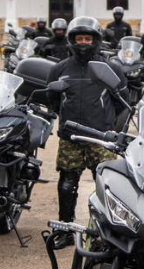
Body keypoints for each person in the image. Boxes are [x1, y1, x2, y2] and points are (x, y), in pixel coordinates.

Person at [44, 17, 128, 250]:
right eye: (79, 38)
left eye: (87, 38)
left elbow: (124, 103)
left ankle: (107, 232)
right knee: (67, 183)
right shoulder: (59, 69)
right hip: (70, 137)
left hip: (101, 138)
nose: (83, 43)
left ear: (96, 40)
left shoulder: (111, 68)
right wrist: (61, 120)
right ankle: (64, 228)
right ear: (71, 40)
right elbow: (52, 99)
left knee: (107, 186)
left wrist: (114, 131)